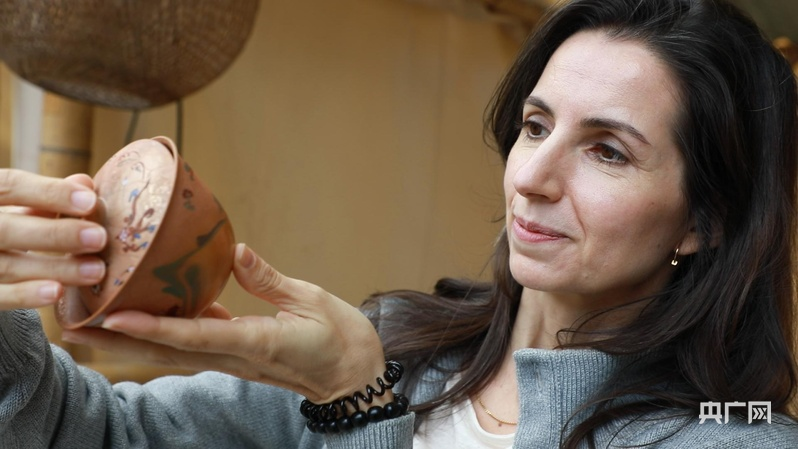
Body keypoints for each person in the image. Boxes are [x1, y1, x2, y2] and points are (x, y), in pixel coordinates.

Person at [1, 0, 797, 447]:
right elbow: (91, 432)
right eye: (535, 125)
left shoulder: (736, 436)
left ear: (704, 221)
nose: (532, 176)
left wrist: (356, 406)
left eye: (608, 151)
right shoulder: (396, 348)